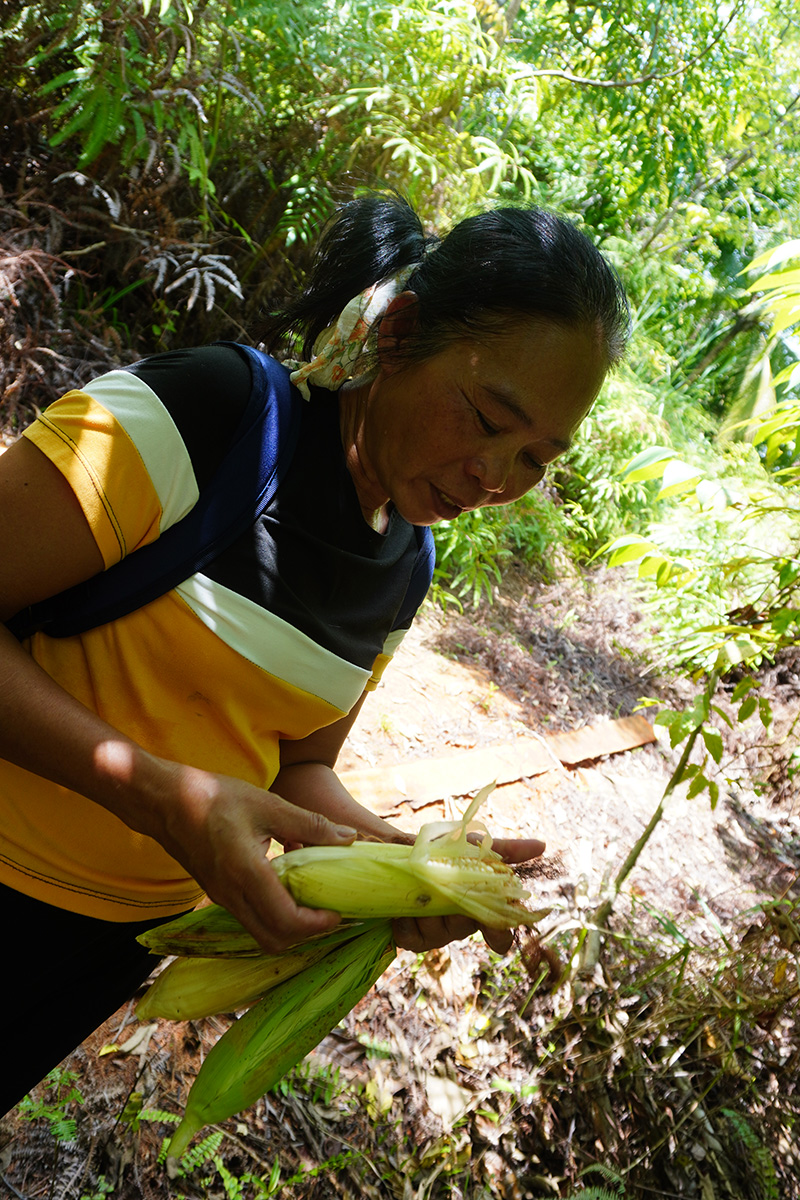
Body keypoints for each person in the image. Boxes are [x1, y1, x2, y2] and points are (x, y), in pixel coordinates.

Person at [0, 193, 629, 1113]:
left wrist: (412, 871)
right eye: (487, 418)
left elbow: (299, 769)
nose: (496, 478)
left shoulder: (403, 565)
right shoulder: (208, 418)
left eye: (537, 457)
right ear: (403, 331)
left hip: (106, 948)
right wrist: (161, 795)